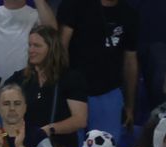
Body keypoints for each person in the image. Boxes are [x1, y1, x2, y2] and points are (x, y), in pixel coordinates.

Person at [59, 0, 138, 137]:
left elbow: (130, 62)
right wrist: (65, 86)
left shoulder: (129, 14)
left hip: (108, 92)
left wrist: (130, 105)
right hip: (74, 93)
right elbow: (61, 47)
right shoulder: (74, 4)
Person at [18, 24, 87, 147]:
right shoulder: (22, 78)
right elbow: (1, 99)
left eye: (37, 46)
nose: (31, 50)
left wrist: (49, 129)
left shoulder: (70, 78)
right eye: (30, 45)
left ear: (52, 49)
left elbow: (80, 119)